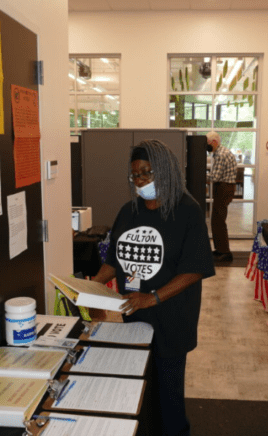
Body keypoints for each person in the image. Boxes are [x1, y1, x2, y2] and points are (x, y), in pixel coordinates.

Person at [91, 139, 215, 436]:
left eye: (147, 173)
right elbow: (114, 260)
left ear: (166, 170)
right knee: (141, 386)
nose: (141, 181)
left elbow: (195, 268)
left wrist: (154, 297)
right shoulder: (128, 211)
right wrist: (92, 284)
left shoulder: (188, 211)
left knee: (169, 392)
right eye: (135, 175)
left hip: (172, 316)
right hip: (134, 314)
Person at [206, 131, 238, 262]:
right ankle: (220, 249)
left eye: (207, 144)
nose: (207, 148)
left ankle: (225, 252)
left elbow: (215, 177)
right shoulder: (223, 151)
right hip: (225, 187)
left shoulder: (220, 154)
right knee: (217, 220)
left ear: (214, 142)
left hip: (224, 188)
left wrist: (200, 174)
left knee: (218, 220)